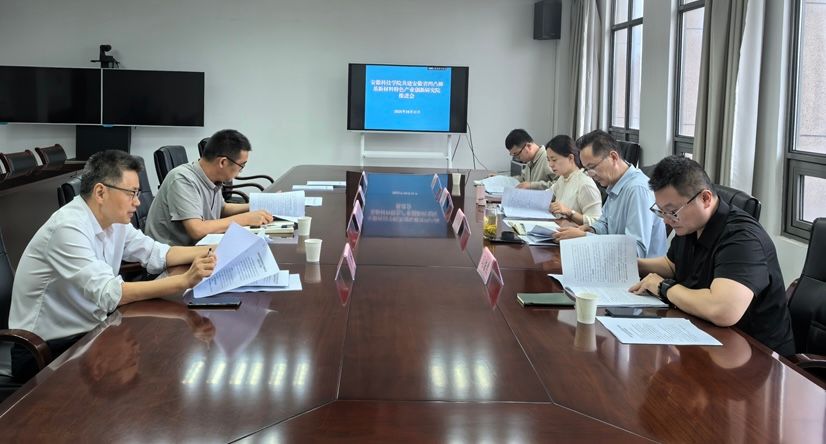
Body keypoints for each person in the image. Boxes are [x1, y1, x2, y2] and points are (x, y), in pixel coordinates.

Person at [9, 150, 216, 381]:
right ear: (101, 192)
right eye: (131, 193)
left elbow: (157, 252)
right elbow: (111, 294)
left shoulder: (115, 220)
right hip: (45, 350)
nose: (137, 201)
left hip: (90, 331)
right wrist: (184, 280)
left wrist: (215, 250)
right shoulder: (68, 228)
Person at [629, 155, 794, 356]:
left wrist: (663, 287)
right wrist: (630, 264)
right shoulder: (689, 225)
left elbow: (723, 310)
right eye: (661, 211)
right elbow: (672, 265)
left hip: (757, 355)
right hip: (706, 336)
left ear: (705, 199)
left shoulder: (743, 239)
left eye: (672, 211)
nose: (666, 221)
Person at [145, 129, 274, 246]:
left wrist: (259, 205)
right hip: (171, 256)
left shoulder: (213, 178)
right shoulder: (183, 178)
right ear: (223, 162)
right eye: (241, 166)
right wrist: (245, 219)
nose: (240, 172)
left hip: (198, 248)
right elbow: (197, 229)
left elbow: (222, 209)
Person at [553, 130, 666, 258]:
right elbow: (604, 224)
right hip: (615, 262)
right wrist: (591, 229)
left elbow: (636, 251)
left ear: (613, 157)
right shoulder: (615, 184)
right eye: (587, 169)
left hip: (639, 269)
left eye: (592, 167)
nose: (590, 174)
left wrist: (586, 237)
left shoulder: (637, 190)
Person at [545, 134, 602, 225]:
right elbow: (546, 195)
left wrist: (570, 212)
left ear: (571, 158)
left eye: (554, 160)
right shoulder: (563, 178)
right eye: (548, 160)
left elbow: (597, 223)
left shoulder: (585, 184)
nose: (550, 164)